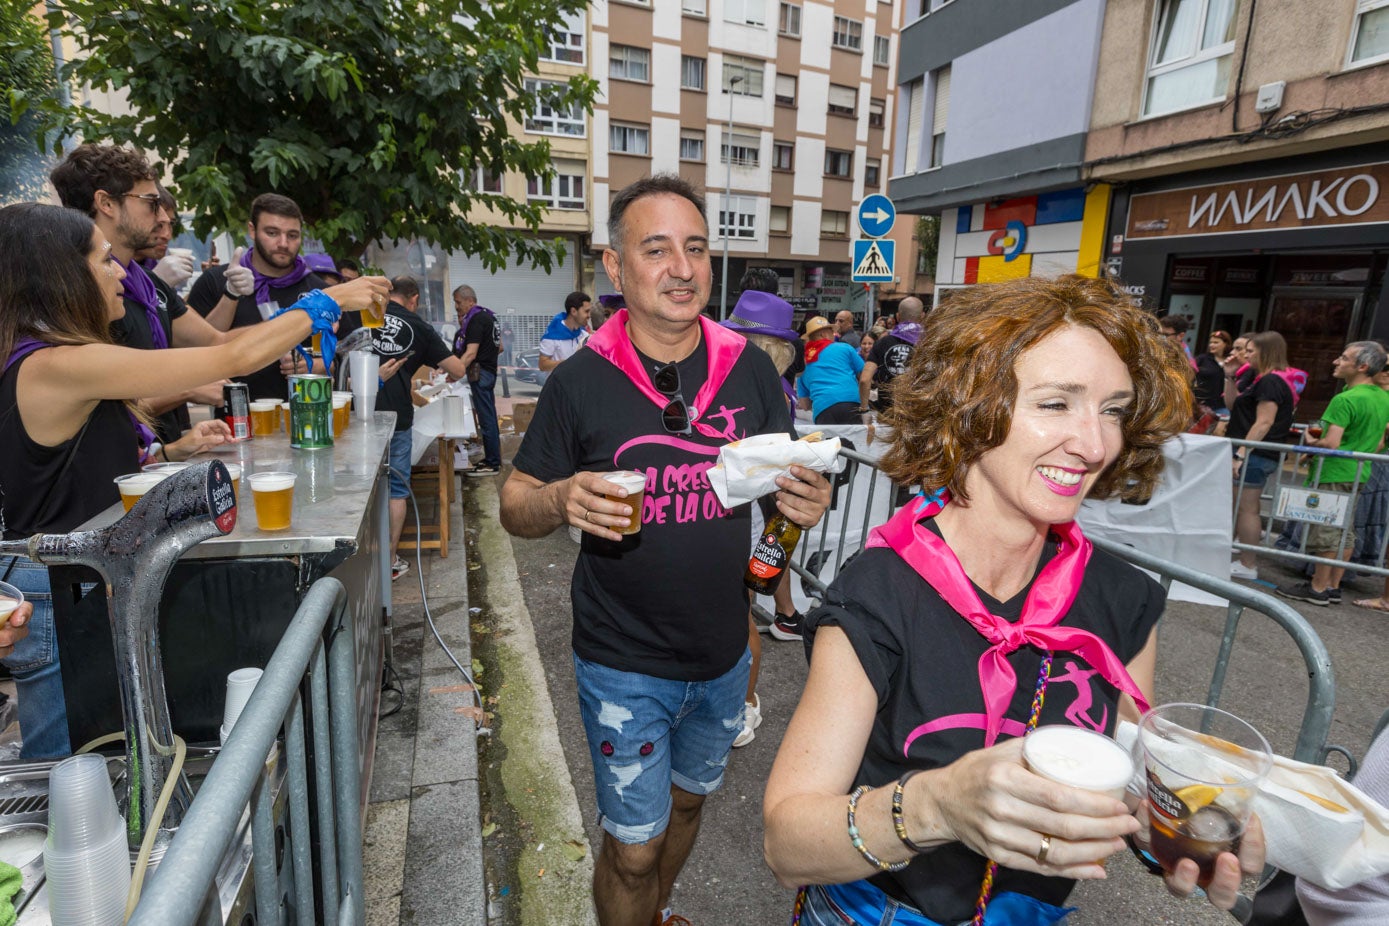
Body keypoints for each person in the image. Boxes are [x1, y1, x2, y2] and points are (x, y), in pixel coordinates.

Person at [763, 274, 1259, 926]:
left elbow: (1132, 784)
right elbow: (787, 842)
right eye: (1057, 404)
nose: (1094, 444)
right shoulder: (880, 592)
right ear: (967, 408)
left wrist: (1178, 831)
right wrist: (935, 805)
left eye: (1112, 409)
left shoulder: (1121, 599)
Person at [497, 174, 831, 926]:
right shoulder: (581, 381)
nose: (682, 268)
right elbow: (514, 503)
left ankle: (652, 917)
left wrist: (805, 502)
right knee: (633, 847)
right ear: (616, 270)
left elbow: (781, 489)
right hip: (622, 662)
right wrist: (559, 498)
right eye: (656, 249)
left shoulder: (748, 367)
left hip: (721, 658)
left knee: (684, 815)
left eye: (696, 248)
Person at [0, 202, 387, 759]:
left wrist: (168, 448)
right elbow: (230, 353)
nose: (119, 275)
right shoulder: (54, 364)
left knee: (101, 763)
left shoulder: (46, 361)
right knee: (70, 772)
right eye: (105, 261)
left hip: (81, 587)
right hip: (56, 596)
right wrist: (330, 300)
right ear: (60, 275)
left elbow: (68, 467)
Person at [49, 143, 230, 444]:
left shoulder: (146, 281)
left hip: (156, 456)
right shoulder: (72, 293)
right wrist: (187, 388)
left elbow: (220, 343)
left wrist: (305, 315)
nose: (161, 217)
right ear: (106, 204)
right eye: (151, 202)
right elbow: (100, 408)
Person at [341, 276, 469, 581]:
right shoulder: (419, 326)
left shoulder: (357, 313)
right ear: (413, 299)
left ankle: (354, 562)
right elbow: (458, 369)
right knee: (396, 491)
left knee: (355, 488)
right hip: (396, 413)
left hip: (352, 410)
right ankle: (389, 563)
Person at [720, 288, 804, 748]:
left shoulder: (771, 392)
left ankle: (746, 704)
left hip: (754, 514)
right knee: (733, 613)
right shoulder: (746, 384)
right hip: (739, 514)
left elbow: (775, 467)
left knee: (740, 617)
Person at [1275, 341, 1389, 605]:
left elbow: (1332, 443)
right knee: (1344, 531)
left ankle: (1317, 588)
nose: (1336, 361)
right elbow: (1380, 443)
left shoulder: (1344, 399)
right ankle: (1333, 586)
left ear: (1362, 366)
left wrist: (1310, 441)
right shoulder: (1383, 397)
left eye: (1343, 357)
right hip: (1360, 471)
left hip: (1334, 471)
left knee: (1327, 530)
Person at [187, 192, 325, 398]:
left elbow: (347, 349)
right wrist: (230, 294)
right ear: (252, 230)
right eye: (272, 233)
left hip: (305, 415)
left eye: (293, 235)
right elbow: (197, 349)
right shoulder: (215, 281)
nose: (283, 243)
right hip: (232, 419)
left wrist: (319, 364)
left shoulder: (318, 290)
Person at [1225, 331, 1298, 581]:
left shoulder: (1271, 382)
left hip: (1255, 454)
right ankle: (1243, 558)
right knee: (1241, 507)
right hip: (1251, 453)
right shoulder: (1258, 379)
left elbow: (1264, 422)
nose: (1246, 354)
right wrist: (1230, 376)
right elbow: (1234, 406)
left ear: (1265, 352)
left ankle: (1248, 563)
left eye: (1251, 350)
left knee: (1247, 509)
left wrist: (1242, 453)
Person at [451, 285, 503, 476]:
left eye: (458, 302)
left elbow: (470, 353)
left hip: (480, 373)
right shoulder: (490, 317)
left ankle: (492, 463)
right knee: (489, 416)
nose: (456, 307)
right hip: (489, 372)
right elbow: (500, 347)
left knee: (486, 418)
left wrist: (454, 373)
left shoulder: (475, 320)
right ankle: (492, 459)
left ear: (470, 300)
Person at [798, 316, 866, 425]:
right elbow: (865, 375)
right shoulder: (845, 348)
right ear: (823, 335)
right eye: (831, 332)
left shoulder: (803, 362)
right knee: (854, 441)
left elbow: (804, 405)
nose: (834, 334)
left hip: (823, 410)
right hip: (851, 403)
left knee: (830, 442)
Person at [860, 296, 924, 413]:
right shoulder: (929, 344)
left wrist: (864, 408)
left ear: (898, 316)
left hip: (887, 412)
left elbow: (865, 379)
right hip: (917, 414)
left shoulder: (882, 343)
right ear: (922, 316)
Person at [539, 291, 593, 372]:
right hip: (557, 384)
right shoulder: (552, 334)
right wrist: (567, 363)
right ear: (574, 311)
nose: (589, 316)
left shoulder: (584, 335)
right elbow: (542, 365)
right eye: (586, 311)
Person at [1194, 329, 1233, 412]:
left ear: (1226, 344)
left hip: (1222, 405)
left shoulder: (1232, 360)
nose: (1211, 345)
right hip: (1202, 405)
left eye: (1216, 342)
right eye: (1211, 342)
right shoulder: (1202, 359)